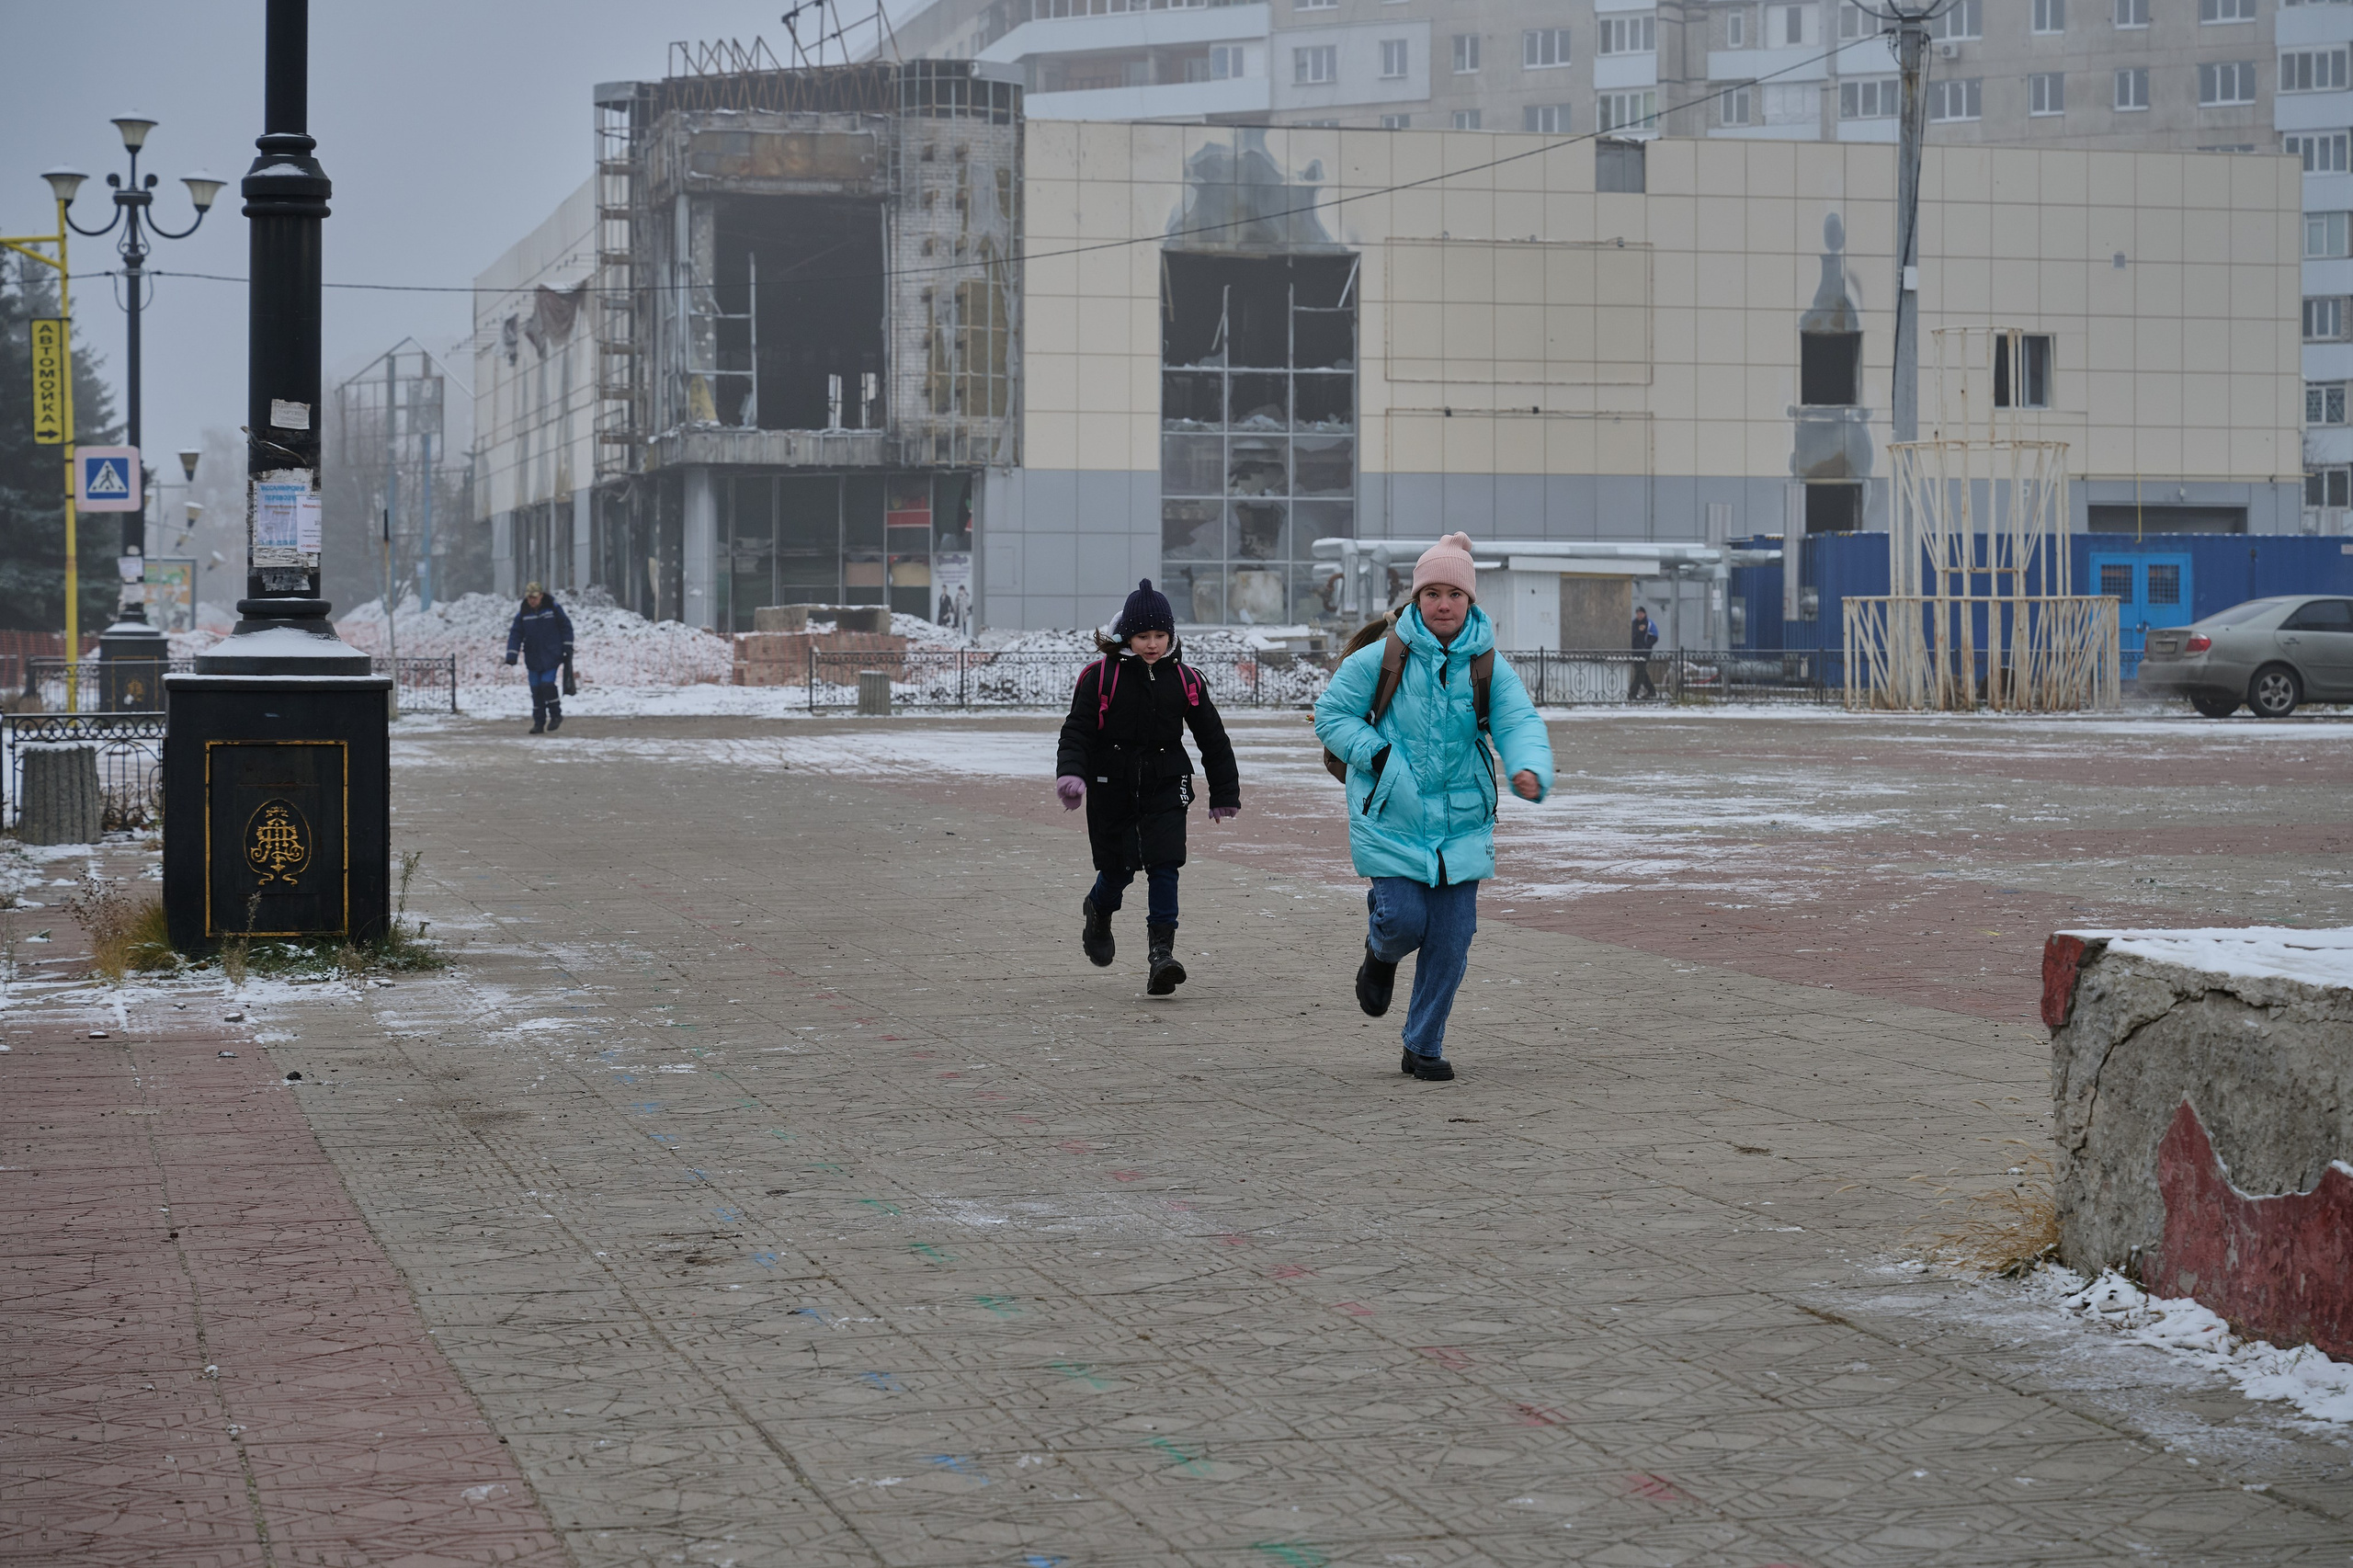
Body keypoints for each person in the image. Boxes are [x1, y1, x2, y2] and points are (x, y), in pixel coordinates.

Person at [1313, 534, 1552, 1081]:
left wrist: (1529, 768)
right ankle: (1380, 952)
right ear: (1416, 599)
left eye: (1455, 594)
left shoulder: (1487, 663)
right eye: (1432, 593)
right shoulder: (1384, 655)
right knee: (1402, 920)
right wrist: (1377, 753)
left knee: (1451, 937)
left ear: (1471, 602)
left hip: (1462, 819)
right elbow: (1331, 716)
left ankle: (1422, 1044)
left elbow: (1517, 722)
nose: (1443, 604)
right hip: (1393, 813)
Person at [1055, 579, 1241, 995]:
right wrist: (1071, 774)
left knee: (1164, 864)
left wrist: (1224, 792)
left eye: (1160, 636)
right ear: (1127, 636)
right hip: (1112, 785)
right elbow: (1078, 732)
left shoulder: (1187, 679)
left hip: (1166, 780)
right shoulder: (1099, 677)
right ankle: (1099, 909)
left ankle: (1162, 954)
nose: (1152, 644)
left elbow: (1212, 736)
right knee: (1119, 869)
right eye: (1143, 636)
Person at [505, 582, 574, 733]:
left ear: (541, 596)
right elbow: (516, 634)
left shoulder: (553, 609)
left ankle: (556, 715)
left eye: (535, 597)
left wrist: (567, 647)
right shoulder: (523, 613)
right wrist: (512, 654)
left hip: (552, 655)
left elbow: (566, 626)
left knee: (547, 685)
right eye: (529, 598)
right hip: (533, 658)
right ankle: (539, 722)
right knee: (536, 690)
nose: (532, 601)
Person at [1629, 605, 1660, 701]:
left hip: (1644, 652)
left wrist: (1646, 646)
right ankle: (1652, 691)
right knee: (1641, 672)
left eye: (1641, 613)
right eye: (1638, 613)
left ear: (1644, 614)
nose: (1639, 615)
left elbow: (1655, 636)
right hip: (1635, 651)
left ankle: (1633, 693)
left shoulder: (1649, 623)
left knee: (1640, 671)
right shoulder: (1633, 623)